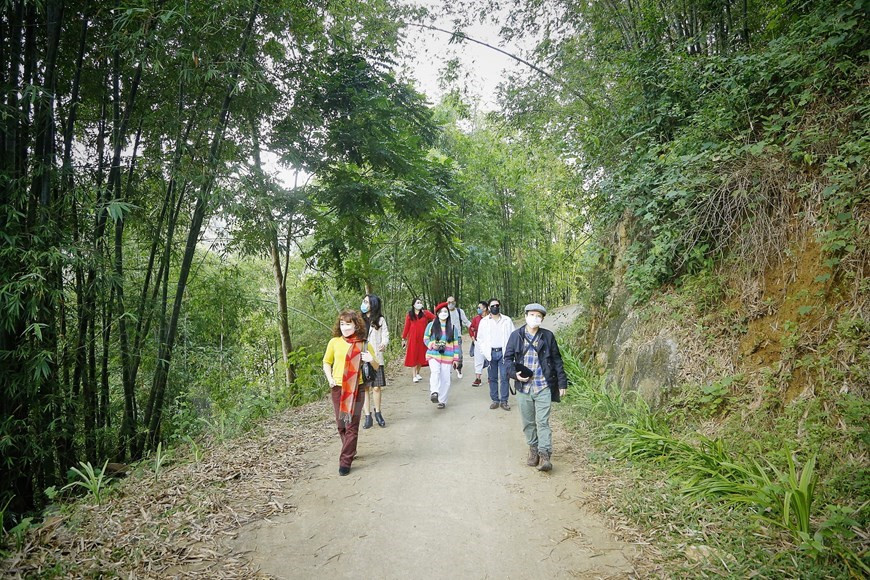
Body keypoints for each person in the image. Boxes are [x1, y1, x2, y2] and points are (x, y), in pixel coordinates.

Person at [504, 303, 568, 472]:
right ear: (525, 316)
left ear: (542, 319)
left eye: (538, 316)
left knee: (543, 422)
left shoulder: (547, 336)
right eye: (532, 315)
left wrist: (562, 383)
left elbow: (556, 360)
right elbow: (508, 359)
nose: (535, 318)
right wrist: (514, 374)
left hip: (543, 386)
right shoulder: (515, 336)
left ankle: (545, 454)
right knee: (528, 422)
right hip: (524, 387)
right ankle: (533, 449)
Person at [322, 310, 379, 476]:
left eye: (348, 324)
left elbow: (376, 366)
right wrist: (329, 378)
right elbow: (326, 362)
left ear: (356, 324)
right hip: (338, 387)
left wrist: (370, 359)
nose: (345, 327)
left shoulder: (364, 343)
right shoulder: (334, 342)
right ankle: (350, 449)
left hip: (357, 387)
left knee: (352, 426)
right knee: (342, 425)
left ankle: (345, 460)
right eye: (342, 324)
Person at [476, 297, 514, 411]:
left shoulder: (507, 320)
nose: (495, 307)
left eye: (497, 305)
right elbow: (480, 338)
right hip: (490, 353)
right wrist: (484, 352)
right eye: (492, 306)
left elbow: (513, 336)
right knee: (492, 378)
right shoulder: (484, 322)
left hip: (503, 353)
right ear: (488, 308)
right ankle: (495, 400)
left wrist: (511, 352)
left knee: (504, 377)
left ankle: (504, 401)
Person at [423, 302, 461, 409]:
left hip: (447, 356)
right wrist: (431, 344)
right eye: (441, 312)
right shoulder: (431, 325)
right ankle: (434, 392)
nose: (444, 313)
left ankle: (442, 400)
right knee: (435, 372)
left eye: (446, 311)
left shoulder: (453, 328)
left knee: (446, 379)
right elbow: (425, 338)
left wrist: (456, 358)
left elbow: (455, 344)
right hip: (433, 354)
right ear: (437, 313)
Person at [360, 294, 389, 429]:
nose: (364, 303)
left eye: (366, 302)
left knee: (376, 387)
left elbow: (385, 335)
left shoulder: (380, 320)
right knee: (365, 387)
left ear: (373, 304)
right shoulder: (359, 320)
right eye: (363, 301)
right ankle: (367, 416)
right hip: (361, 357)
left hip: (376, 357)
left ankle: (378, 413)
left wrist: (384, 344)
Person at [402, 298, 435, 383]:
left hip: (423, 338)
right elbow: (407, 327)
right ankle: (414, 375)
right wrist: (403, 338)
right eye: (417, 302)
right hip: (413, 338)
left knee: (421, 355)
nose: (419, 304)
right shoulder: (410, 315)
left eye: (420, 302)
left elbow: (435, 319)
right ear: (413, 305)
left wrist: (431, 329)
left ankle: (417, 372)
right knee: (413, 355)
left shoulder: (425, 313)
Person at [445, 296, 471, 379]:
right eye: (448, 302)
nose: (450, 304)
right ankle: (447, 371)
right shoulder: (444, 312)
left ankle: (459, 369)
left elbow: (466, 321)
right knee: (447, 354)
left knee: (459, 354)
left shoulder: (459, 311)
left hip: (457, 336)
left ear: (455, 302)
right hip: (446, 336)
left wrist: (473, 327)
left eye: (452, 302)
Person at [468, 300, 488, 387]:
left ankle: (491, 377)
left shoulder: (490, 318)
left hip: (489, 343)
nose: (478, 309)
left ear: (485, 308)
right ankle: (478, 378)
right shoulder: (476, 319)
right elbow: (471, 328)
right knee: (478, 360)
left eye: (479, 307)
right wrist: (473, 338)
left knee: (491, 360)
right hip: (478, 342)